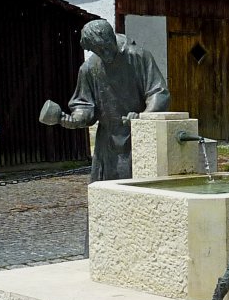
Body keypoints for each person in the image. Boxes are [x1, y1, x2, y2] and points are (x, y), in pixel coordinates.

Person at [44, 19, 170, 181]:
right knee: (107, 186)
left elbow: (158, 91)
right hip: (108, 139)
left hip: (139, 134)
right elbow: (84, 105)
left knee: (142, 182)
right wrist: (73, 119)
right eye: (98, 50)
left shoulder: (138, 56)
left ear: (112, 38)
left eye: (106, 47)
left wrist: (144, 116)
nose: (104, 53)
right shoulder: (88, 69)